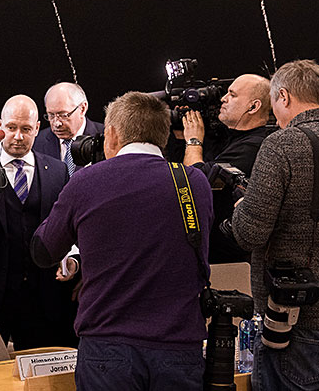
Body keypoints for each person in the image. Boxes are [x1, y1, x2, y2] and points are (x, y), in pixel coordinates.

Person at [31, 91, 214, 391]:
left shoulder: (87, 182)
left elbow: (43, 251)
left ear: (112, 134)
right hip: (179, 349)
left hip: (108, 349)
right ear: (163, 136)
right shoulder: (193, 183)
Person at [232, 60, 319, 390]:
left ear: (282, 96)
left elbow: (248, 232)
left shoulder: (282, 145)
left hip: (299, 325)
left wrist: (242, 205)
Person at [0, 95, 77, 351]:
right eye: (11, 128)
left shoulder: (57, 170)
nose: (18, 137)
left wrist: (74, 259)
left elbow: (70, 226)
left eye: (26, 129)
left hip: (46, 298)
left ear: (37, 128)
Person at [181, 74, 271, 263]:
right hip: (207, 252)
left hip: (229, 260)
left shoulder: (256, 146)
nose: (223, 98)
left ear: (253, 107)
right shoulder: (226, 137)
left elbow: (193, 181)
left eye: (232, 94)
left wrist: (193, 141)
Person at [33, 82, 104, 176]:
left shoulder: (106, 138)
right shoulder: (37, 142)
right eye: (51, 115)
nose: (57, 123)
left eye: (63, 115)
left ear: (82, 108)